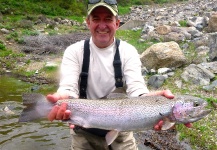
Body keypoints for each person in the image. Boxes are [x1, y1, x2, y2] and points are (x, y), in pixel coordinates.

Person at [46, 0, 191, 150]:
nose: (102, 25)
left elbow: (137, 89)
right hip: (82, 132)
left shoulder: (128, 51)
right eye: (96, 19)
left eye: (108, 19)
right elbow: (68, 87)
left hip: (122, 130)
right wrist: (62, 98)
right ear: (88, 22)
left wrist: (151, 99)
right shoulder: (74, 51)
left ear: (117, 23)